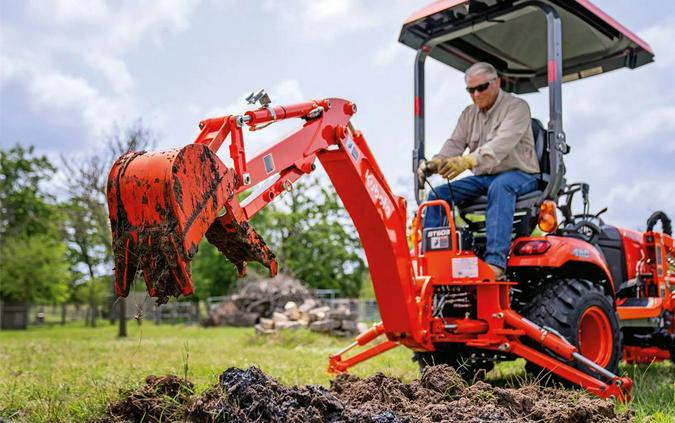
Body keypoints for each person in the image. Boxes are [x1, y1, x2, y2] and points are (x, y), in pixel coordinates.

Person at [418, 62, 540, 279]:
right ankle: (432, 259)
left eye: (481, 88)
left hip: (520, 174)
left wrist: (466, 162)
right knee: (437, 195)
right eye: (470, 90)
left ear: (497, 83)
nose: (476, 94)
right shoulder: (469, 114)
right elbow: (454, 143)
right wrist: (435, 163)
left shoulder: (517, 107)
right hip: (485, 178)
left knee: (501, 186)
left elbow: (501, 144)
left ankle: (495, 264)